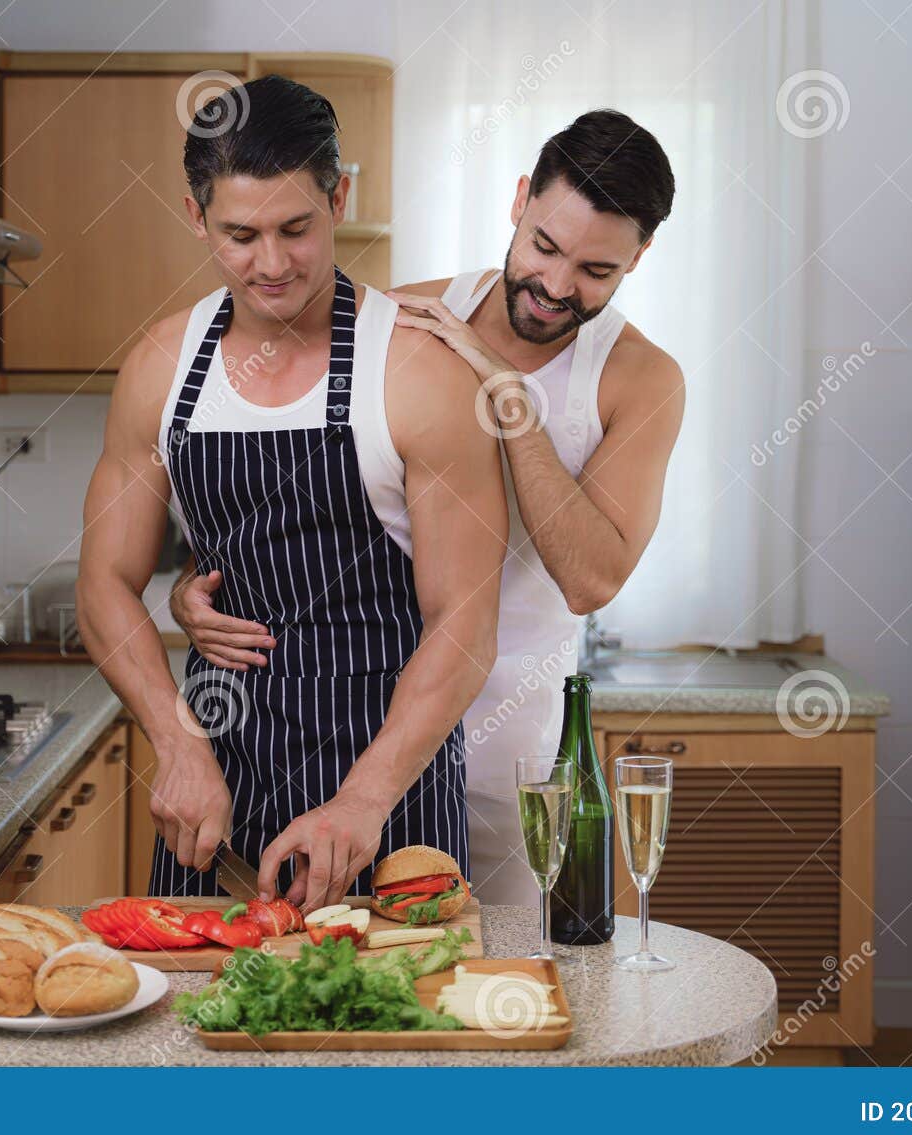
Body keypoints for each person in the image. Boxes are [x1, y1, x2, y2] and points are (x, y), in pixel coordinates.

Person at [171, 109, 685, 903]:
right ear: (519, 201)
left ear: (640, 258)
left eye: (596, 271)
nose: (554, 286)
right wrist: (196, 588)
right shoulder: (405, 315)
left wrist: (507, 396)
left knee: (480, 987)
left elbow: (590, 579)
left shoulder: (641, 378)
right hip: (366, 722)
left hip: (507, 748)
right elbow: (301, 493)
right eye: (544, 247)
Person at [77, 75, 508, 912]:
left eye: (296, 228)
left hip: (392, 787)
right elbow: (103, 583)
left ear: (339, 197)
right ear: (196, 215)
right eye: (240, 234)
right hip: (215, 784)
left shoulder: (417, 372)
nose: (271, 264)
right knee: (204, 1024)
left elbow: (466, 622)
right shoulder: (162, 368)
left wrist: (364, 798)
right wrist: (175, 743)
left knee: (392, 1025)